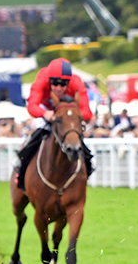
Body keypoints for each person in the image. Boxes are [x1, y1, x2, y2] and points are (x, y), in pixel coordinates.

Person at [15, 58, 94, 189]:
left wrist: (71, 115)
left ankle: (87, 171)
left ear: (69, 81)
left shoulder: (77, 83)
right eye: (55, 83)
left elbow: (87, 112)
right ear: (49, 80)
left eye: (63, 84)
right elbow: (32, 106)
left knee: (78, 143)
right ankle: (21, 172)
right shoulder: (41, 79)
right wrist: (45, 114)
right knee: (35, 138)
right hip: (46, 110)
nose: (58, 87)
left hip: (66, 114)